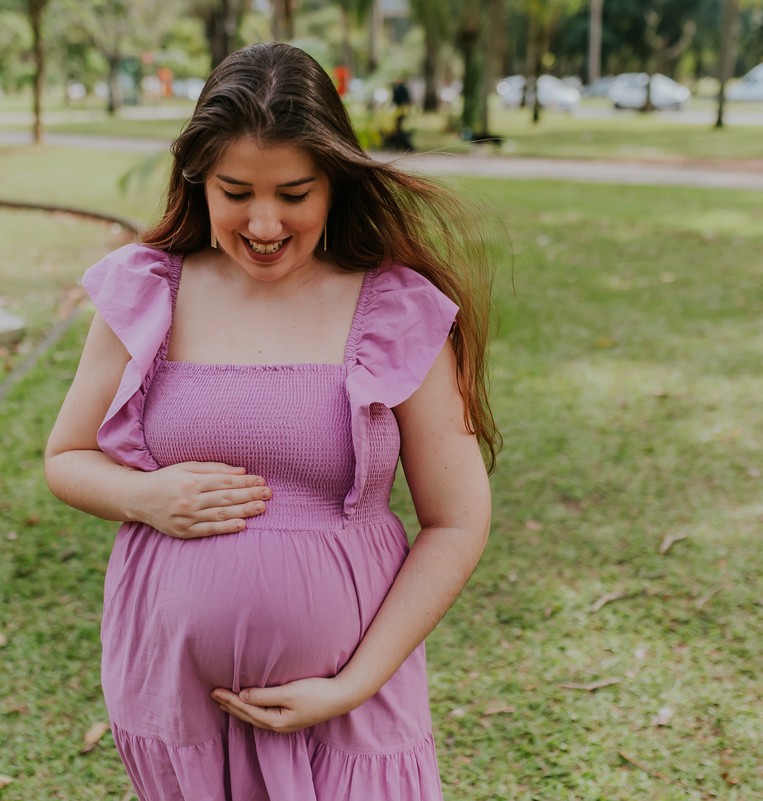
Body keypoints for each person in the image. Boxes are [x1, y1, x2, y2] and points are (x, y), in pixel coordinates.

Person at [45, 42, 497, 801]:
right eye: (236, 192)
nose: (263, 222)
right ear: (198, 179)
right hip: (176, 699)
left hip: (349, 708)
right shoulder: (148, 290)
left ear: (334, 183)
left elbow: (457, 520)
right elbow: (66, 456)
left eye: (293, 193)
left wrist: (352, 684)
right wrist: (143, 497)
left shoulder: (393, 307)